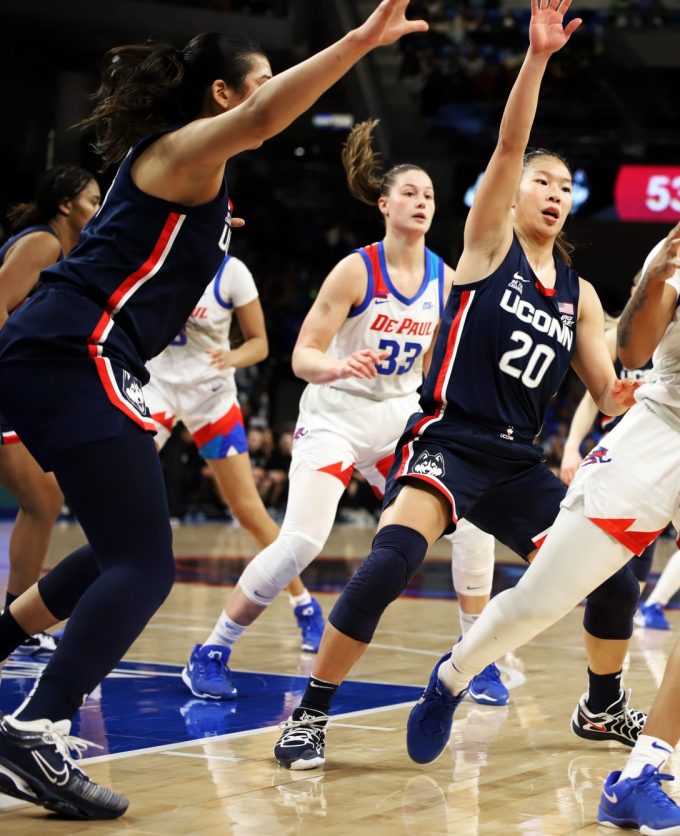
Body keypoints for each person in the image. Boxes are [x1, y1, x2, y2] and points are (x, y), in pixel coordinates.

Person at [0, 2, 430, 818]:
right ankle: (37, 726)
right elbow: (268, 118)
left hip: (73, 351)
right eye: (262, 82)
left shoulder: (188, 164)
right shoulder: (182, 150)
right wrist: (360, 40)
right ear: (224, 94)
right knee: (147, 564)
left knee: (115, 550)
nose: (276, 97)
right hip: (75, 346)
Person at [407, 133, 680, 834]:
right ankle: (453, 674)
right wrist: (658, 276)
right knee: (538, 602)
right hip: (660, 430)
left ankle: (641, 773)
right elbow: (632, 352)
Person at [271, 0, 640, 772]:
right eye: (541, 180)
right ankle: (310, 715)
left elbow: (605, 394)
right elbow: (510, 139)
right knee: (387, 566)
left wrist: (636, 384)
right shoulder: (486, 243)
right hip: (447, 440)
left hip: (516, 462)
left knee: (615, 577)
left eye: (565, 187)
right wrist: (537, 58)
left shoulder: (581, 295)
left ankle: (601, 706)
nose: (553, 193)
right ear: (509, 194)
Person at [180, 119, 503, 705]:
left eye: (430, 195)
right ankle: (212, 648)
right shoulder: (357, 269)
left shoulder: (446, 277)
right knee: (302, 540)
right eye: (410, 192)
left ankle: (474, 657)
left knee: (471, 526)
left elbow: (440, 364)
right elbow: (302, 356)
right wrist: (337, 366)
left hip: (398, 420)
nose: (422, 202)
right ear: (384, 204)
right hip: (335, 414)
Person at [145, 253, 324, 659]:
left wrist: (232, 357)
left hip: (211, 394)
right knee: (117, 497)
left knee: (248, 510)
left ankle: (305, 605)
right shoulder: (155, 258)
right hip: (157, 388)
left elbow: (259, 344)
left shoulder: (233, 272)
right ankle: (87, 611)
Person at [0, 166, 100, 654]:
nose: (99, 210)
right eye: (92, 201)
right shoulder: (42, 243)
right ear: (66, 204)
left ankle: (17, 618)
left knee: (43, 500)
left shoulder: (63, 251)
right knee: (42, 500)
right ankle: (17, 619)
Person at [558, 294, 680, 633]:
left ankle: (643, 611)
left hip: (666, 453)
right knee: (589, 540)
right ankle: (545, 599)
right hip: (620, 452)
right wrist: (572, 447)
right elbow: (591, 401)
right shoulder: (618, 338)